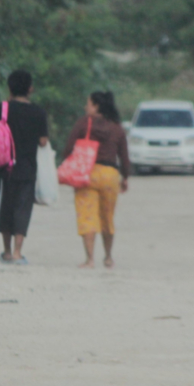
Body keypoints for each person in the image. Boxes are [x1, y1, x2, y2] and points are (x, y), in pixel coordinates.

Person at [60, 90, 130, 270]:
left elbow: (68, 148)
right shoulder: (117, 127)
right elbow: (124, 156)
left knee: (87, 216)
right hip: (110, 175)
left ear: (96, 106)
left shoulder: (84, 124)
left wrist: (69, 162)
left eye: (88, 104)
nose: (85, 107)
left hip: (87, 174)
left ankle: (90, 260)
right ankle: (108, 257)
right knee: (107, 217)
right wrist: (126, 177)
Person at [0, 70, 49, 265]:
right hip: (27, 169)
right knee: (22, 209)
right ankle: (18, 252)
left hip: (3, 167)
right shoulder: (39, 112)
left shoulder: (2, 108)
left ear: (9, 87)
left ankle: (6, 251)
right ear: (30, 89)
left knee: (5, 207)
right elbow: (43, 142)